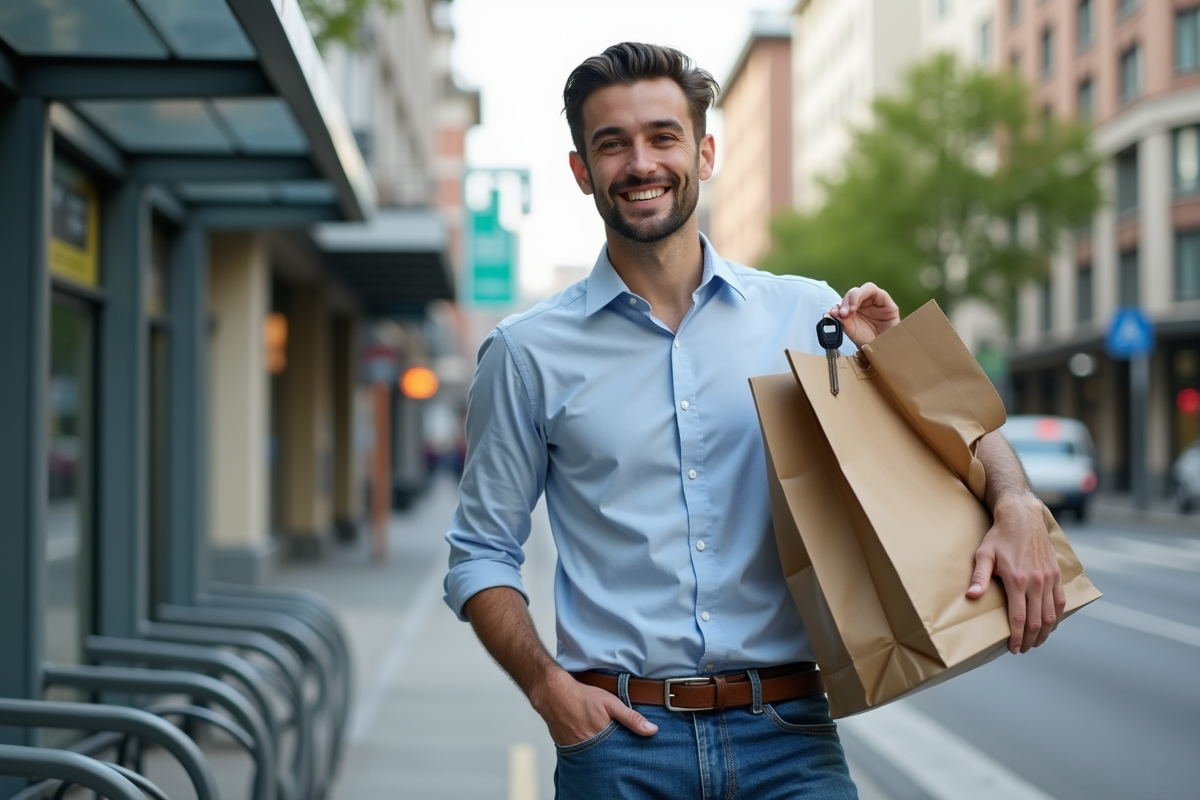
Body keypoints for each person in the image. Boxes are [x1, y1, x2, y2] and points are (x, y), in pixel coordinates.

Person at [444, 42, 1064, 799]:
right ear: (582, 170)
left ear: (704, 154)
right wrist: (549, 691)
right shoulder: (526, 352)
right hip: (619, 746)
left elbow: (957, 430)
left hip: (789, 736)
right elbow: (479, 552)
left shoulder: (808, 313)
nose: (641, 163)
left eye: (663, 137)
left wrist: (1015, 500)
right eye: (612, 144)